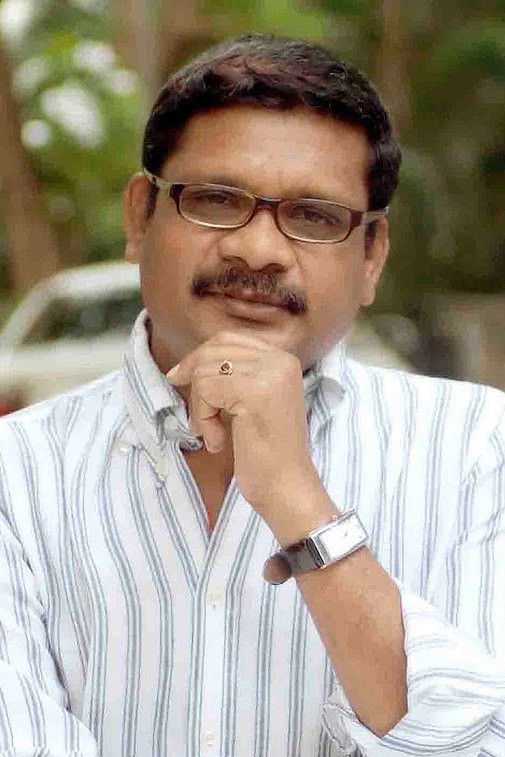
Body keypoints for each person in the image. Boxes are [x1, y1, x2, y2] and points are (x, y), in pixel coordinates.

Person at [0, 33, 504, 757]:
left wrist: (299, 503)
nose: (259, 250)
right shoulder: (15, 477)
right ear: (140, 217)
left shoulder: (478, 452)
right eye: (215, 200)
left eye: (315, 217)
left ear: (370, 257)